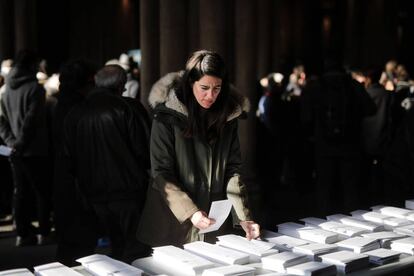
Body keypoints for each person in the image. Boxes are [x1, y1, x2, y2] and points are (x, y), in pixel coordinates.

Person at [137, 50, 260, 247]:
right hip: (172, 222)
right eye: (204, 87)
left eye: (217, 88)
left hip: (213, 221)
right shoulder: (167, 116)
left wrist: (244, 217)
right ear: (190, 83)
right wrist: (190, 212)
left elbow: (232, 171)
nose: (210, 95)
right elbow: (161, 172)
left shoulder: (228, 118)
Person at [61, 64, 150, 263]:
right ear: (121, 85)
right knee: (136, 249)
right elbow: (144, 150)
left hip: (93, 192)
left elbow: (69, 157)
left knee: (114, 247)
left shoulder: (75, 113)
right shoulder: (128, 107)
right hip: (129, 190)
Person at [0, 50, 51, 246]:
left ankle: (22, 234)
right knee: (41, 191)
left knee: (20, 191)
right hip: (35, 149)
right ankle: (43, 232)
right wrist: (20, 143)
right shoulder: (35, 89)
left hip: (13, 150)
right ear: (32, 65)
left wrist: (12, 143)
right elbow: (32, 121)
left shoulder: (5, 90)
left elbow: (1, 121)